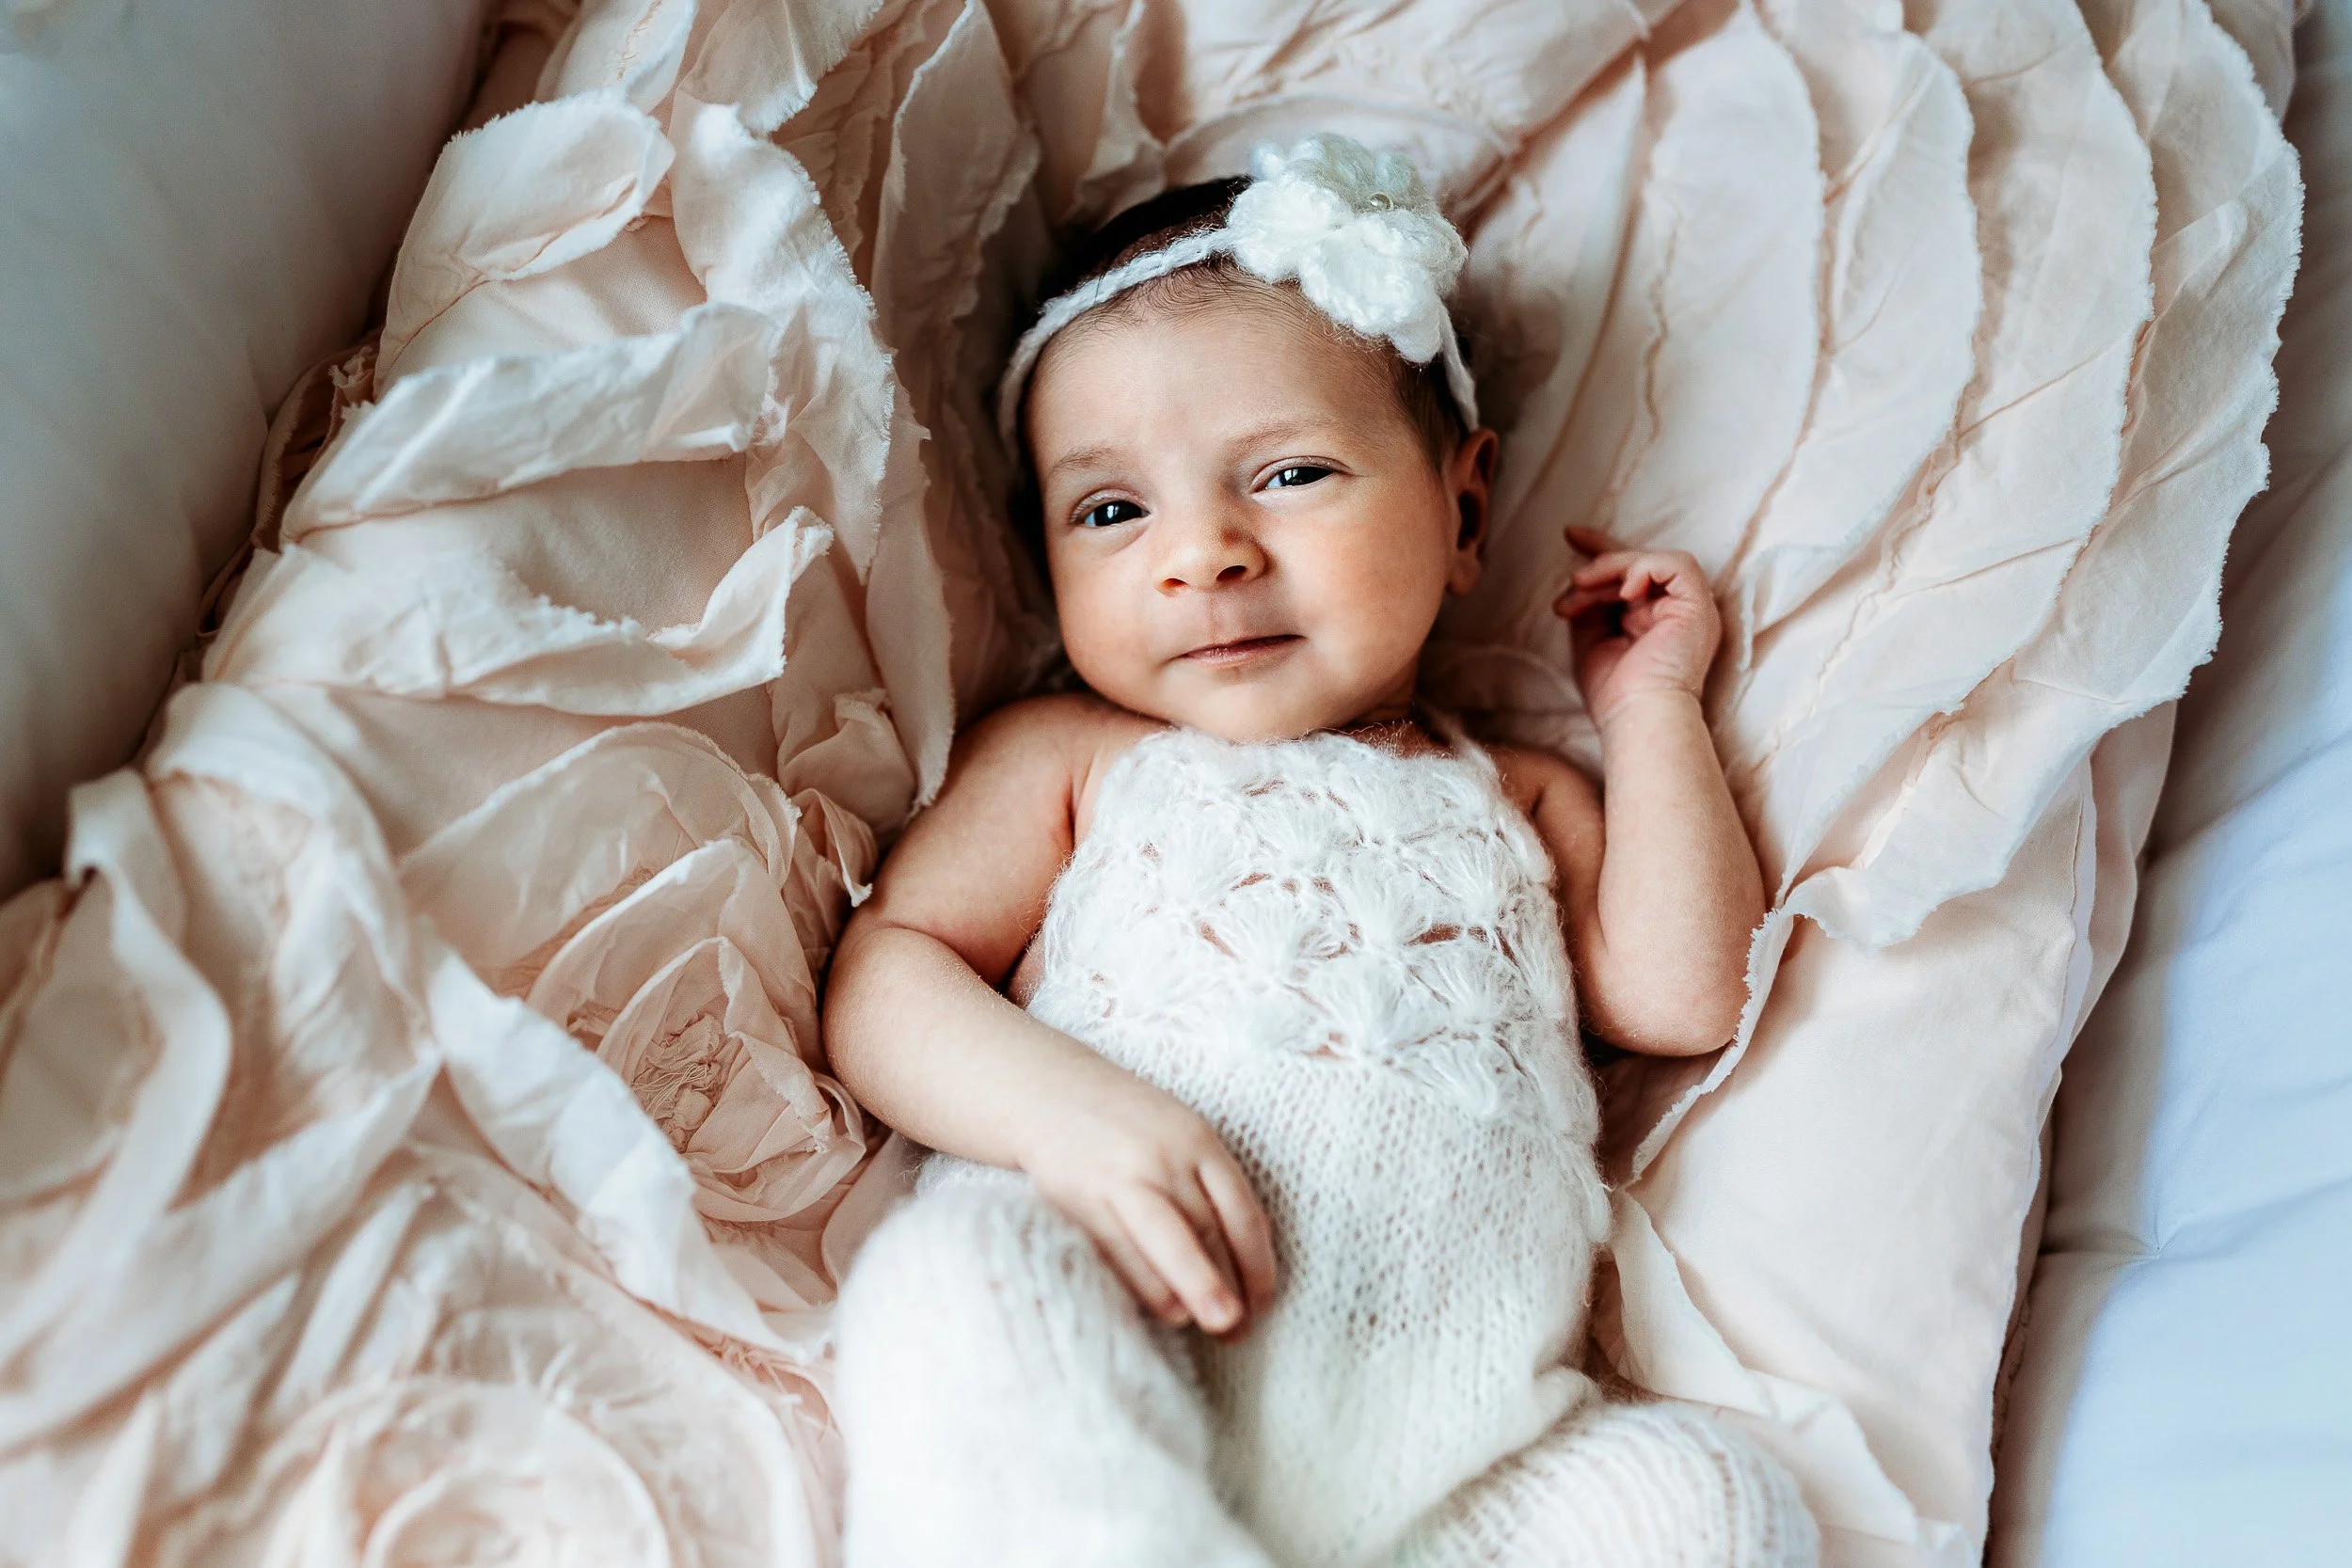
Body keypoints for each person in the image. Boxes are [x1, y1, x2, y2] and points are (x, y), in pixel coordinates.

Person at [820, 134, 1818, 1568]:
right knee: (950, 1282)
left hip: (1464, 1449)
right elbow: (887, 973)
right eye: (1113, 511)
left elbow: (1687, 991)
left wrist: (1650, 710)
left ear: (1463, 511)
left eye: (1287, 473)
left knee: (1707, 1506)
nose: (1203, 552)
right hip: (1117, 1311)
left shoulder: (1518, 792)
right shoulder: (1077, 758)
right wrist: (1064, 1119)